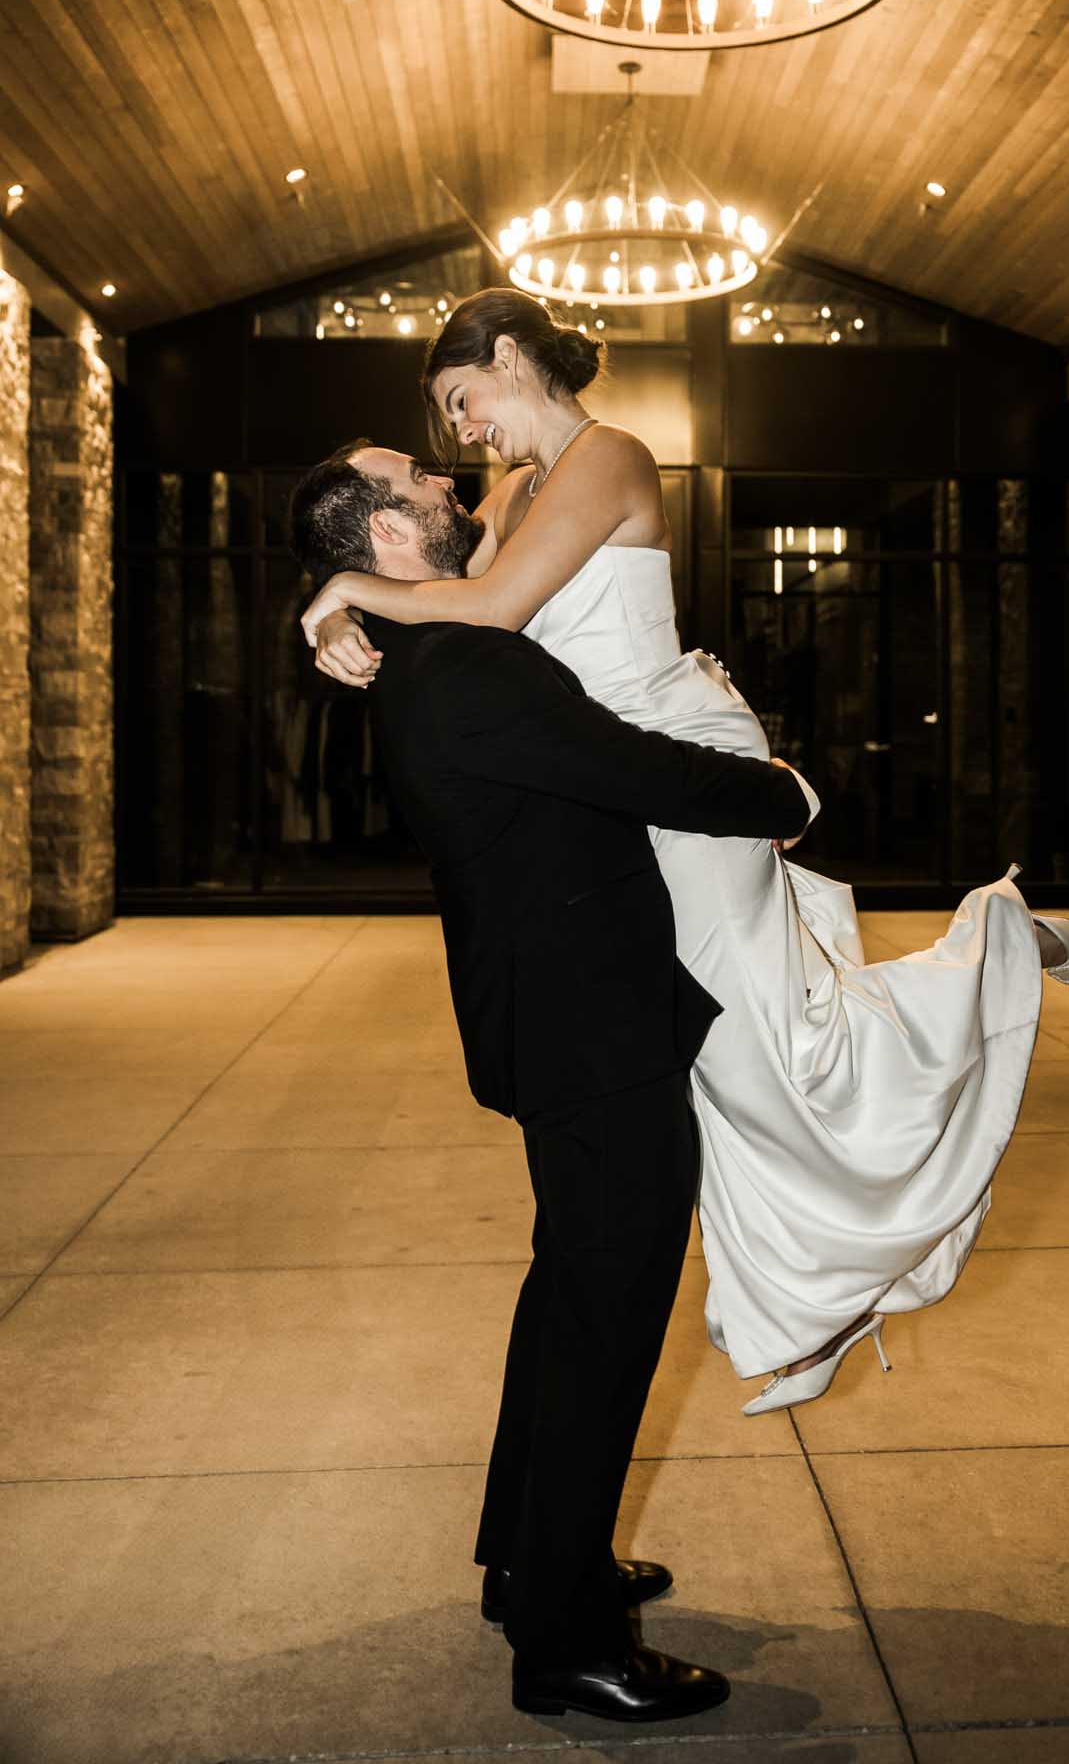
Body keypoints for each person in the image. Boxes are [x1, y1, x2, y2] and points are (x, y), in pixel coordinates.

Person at [301, 287, 1069, 1416]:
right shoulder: (512, 490)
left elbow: (488, 604)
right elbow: (423, 570)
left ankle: (1003, 947)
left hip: (671, 757)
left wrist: (336, 591)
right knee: (712, 1066)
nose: (460, 432)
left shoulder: (609, 457)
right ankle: (805, 1303)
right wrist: (341, 613)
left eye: (461, 398)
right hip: (610, 777)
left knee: (771, 1047)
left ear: (512, 356)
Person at [289, 450, 813, 1722]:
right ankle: (568, 1642)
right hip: (591, 1028)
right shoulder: (467, 665)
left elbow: (521, 508)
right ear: (387, 531)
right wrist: (788, 794)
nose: (443, 477)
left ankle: (531, 1560)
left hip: (568, 1015)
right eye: (415, 478)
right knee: (603, 1317)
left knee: (569, 1294)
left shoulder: (427, 648)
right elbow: (637, 769)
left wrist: (340, 592)